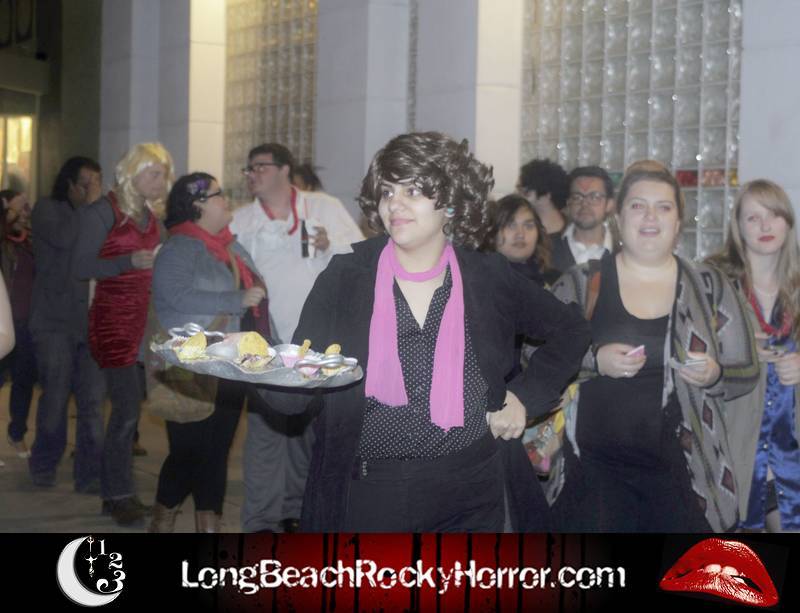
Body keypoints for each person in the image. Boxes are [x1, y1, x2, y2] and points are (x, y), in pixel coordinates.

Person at [256, 131, 590, 532]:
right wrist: (257, 364)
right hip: (370, 492)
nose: (393, 204)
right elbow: (295, 395)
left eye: (411, 191)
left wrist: (524, 397)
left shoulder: (487, 277)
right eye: (387, 192)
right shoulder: (345, 279)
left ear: (450, 202)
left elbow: (570, 329)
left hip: (472, 492)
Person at [550, 165, 759, 532]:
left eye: (663, 207)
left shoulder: (709, 285)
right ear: (618, 218)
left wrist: (714, 374)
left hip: (685, 477)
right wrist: (594, 360)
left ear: (678, 223)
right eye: (638, 206)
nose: (650, 216)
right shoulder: (582, 283)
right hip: (593, 478)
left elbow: (747, 370)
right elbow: (536, 357)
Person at [230, 143, 363, 533]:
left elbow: (361, 259)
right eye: (249, 169)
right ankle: (261, 520)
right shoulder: (242, 220)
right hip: (265, 340)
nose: (253, 175)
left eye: (261, 167)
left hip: (319, 341)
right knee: (265, 431)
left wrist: (329, 245)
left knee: (309, 432)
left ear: (285, 169)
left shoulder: (323, 208)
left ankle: (297, 511)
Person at [149, 172, 267, 532]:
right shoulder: (179, 248)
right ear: (198, 204)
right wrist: (234, 299)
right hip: (190, 363)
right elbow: (175, 296)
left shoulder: (231, 247)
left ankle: (209, 522)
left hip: (230, 361)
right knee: (189, 450)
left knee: (218, 448)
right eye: (219, 194)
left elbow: (257, 295)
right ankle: (163, 517)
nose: (226, 199)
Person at [72, 142, 173, 526]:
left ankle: (116, 493)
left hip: (143, 324)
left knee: (128, 413)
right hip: (113, 322)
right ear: (133, 173)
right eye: (154, 174)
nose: (161, 181)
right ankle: (117, 496)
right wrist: (125, 261)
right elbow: (80, 266)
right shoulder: (103, 212)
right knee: (127, 412)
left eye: (163, 174)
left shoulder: (151, 216)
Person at [708, 179, 800, 532]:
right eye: (753, 218)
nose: (765, 226)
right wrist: (737, 353)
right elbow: (688, 356)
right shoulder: (713, 283)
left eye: (773, 215)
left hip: (791, 452)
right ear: (738, 226)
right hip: (735, 450)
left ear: (787, 221)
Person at [27, 157, 105, 493]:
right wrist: (91, 207)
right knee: (56, 398)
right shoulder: (48, 210)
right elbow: (65, 239)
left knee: (93, 403)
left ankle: (89, 474)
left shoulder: (98, 215)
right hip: (53, 322)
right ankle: (44, 463)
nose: (92, 190)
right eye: (86, 184)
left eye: (96, 183)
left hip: (91, 322)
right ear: (69, 184)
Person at [1, 189, 36, 458]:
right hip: (3, 324)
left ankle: (17, 433)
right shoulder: (3, 243)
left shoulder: (31, 242)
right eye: (19, 207)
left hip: (26, 322)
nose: (25, 213)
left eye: (26, 208)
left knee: (24, 380)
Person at [550, 166, 616, 275]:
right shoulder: (546, 248)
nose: (584, 204)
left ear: (609, 204)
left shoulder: (624, 251)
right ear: (568, 203)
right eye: (577, 197)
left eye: (594, 197)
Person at [485, 193, 551, 287]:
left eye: (528, 226)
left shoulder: (555, 282)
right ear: (492, 234)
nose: (520, 234)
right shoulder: (479, 281)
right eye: (511, 225)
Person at [516, 158, 569, 239]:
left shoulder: (574, 231)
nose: (519, 197)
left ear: (547, 195)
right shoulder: (519, 230)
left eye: (526, 193)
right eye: (519, 191)